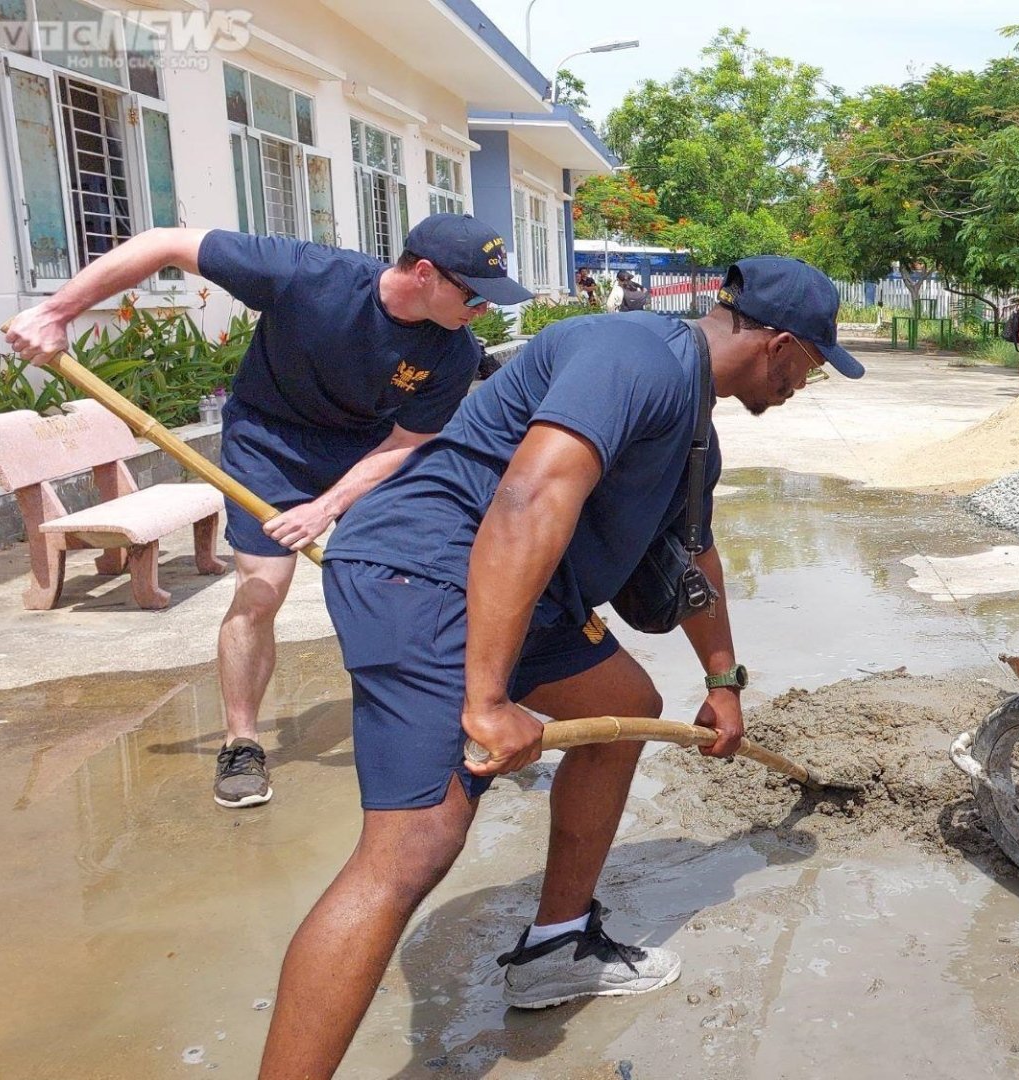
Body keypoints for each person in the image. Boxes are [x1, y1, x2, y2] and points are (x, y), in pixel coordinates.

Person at [256, 256, 863, 1075]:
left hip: (522, 592)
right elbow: (528, 500)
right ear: (779, 346)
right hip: (428, 571)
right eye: (814, 366)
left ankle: (556, 947)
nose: (806, 383)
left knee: (623, 709)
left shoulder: (694, 432)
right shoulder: (631, 356)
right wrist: (486, 699)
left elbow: (695, 554)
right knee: (413, 849)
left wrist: (723, 685)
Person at [2, 214, 517, 810]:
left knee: (414, 578)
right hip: (269, 441)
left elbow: (405, 442)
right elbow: (165, 243)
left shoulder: (453, 352)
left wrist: (327, 506)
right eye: (474, 295)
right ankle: (241, 743)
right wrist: (57, 311)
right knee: (261, 590)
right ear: (424, 273)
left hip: (367, 448)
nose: (482, 311)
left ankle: (459, 714)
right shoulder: (306, 274)